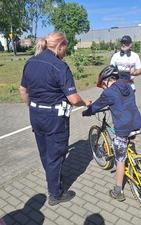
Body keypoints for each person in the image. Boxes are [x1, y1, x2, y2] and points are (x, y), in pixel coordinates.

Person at [19, 31, 91, 206]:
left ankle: (53, 177)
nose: (65, 51)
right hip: (54, 117)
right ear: (60, 46)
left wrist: (32, 106)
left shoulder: (30, 62)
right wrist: (85, 103)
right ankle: (55, 193)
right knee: (56, 154)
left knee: (44, 151)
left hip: (36, 115)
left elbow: (23, 90)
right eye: (65, 47)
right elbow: (73, 99)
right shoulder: (60, 66)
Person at [82, 65, 141, 201]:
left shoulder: (108, 93)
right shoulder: (128, 86)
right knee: (127, 140)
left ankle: (118, 192)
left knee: (119, 159)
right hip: (137, 122)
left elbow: (96, 106)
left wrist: (86, 112)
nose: (103, 87)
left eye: (103, 84)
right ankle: (131, 158)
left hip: (123, 127)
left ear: (107, 80)